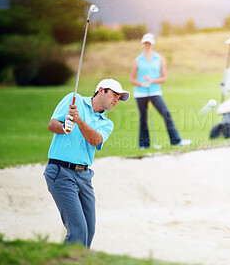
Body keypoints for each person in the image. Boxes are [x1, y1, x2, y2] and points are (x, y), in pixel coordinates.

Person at [43, 79, 129, 248]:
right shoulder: (73, 99)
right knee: (78, 230)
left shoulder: (106, 123)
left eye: (119, 98)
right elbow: (52, 125)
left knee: (89, 230)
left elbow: (95, 139)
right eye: (114, 95)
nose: (116, 100)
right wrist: (65, 127)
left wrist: (79, 121)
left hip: (84, 177)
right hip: (61, 172)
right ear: (101, 90)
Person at [130, 33, 191, 149]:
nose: (147, 45)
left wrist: (151, 81)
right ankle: (144, 145)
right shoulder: (137, 60)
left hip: (155, 91)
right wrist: (142, 83)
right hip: (140, 92)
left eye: (149, 43)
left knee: (166, 114)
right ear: (143, 44)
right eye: (145, 43)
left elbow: (164, 78)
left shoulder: (160, 59)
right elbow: (132, 79)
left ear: (152, 44)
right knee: (143, 118)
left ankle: (176, 140)